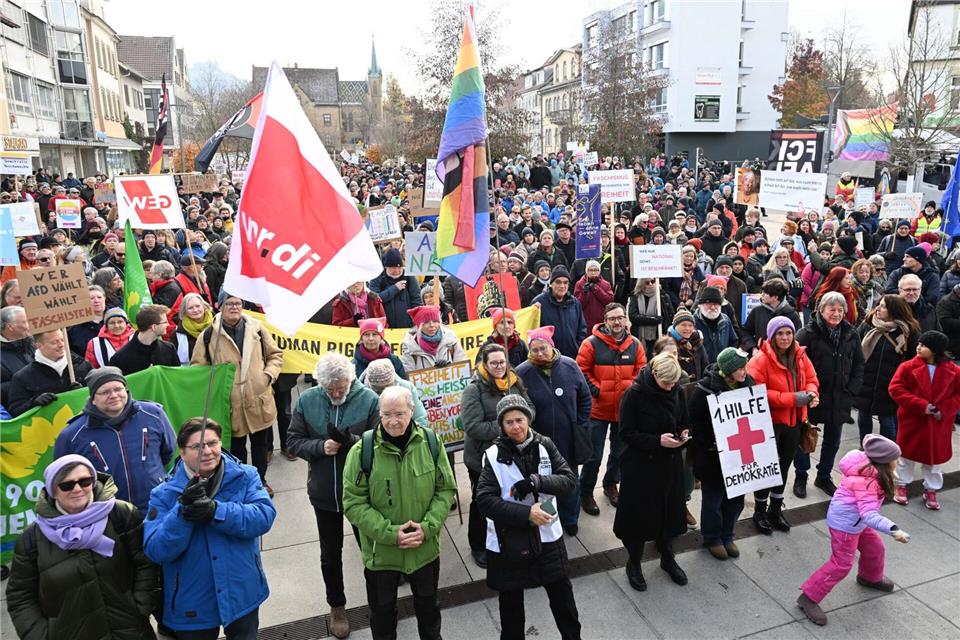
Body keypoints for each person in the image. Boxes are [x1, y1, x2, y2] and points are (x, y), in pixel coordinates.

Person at [144, 417, 277, 640]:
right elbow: (156, 550)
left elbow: (264, 517)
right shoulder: (163, 493)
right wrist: (182, 513)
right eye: (197, 446)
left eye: (212, 443)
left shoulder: (246, 475)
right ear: (182, 452)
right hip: (192, 600)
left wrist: (216, 511)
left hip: (241, 590)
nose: (207, 451)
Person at [342, 385, 456, 640]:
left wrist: (427, 528)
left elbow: (445, 489)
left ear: (412, 411)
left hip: (424, 550)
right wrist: (390, 534)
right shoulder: (362, 452)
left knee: (429, 609)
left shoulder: (431, 442)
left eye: (399, 414)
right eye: (386, 415)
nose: (392, 421)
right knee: (382, 614)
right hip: (382, 555)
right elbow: (353, 503)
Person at [6, 454, 159, 640]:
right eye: (67, 485)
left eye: (85, 481)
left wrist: (140, 607)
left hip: (131, 631)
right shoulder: (32, 538)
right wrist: (42, 636)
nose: (77, 489)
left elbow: (146, 564)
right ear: (53, 490)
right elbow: (20, 596)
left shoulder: (121, 514)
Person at [286, 352, 380, 638]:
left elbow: (379, 444)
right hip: (324, 491)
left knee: (372, 551)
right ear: (321, 384)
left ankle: (379, 602)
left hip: (361, 492)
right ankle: (337, 606)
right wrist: (320, 447)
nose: (336, 393)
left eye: (341, 387)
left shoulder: (369, 400)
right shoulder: (307, 400)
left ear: (350, 380)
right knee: (330, 554)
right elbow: (293, 441)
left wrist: (350, 441)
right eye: (330, 389)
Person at [475, 394, 582, 640]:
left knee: (563, 599)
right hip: (508, 539)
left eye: (520, 420)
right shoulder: (492, 455)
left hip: (547, 535)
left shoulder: (545, 444)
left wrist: (537, 481)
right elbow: (485, 501)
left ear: (528, 420)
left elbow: (569, 480)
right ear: (502, 426)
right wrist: (527, 514)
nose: (516, 427)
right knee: (511, 607)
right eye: (509, 422)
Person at [796, 435, 910, 626]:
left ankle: (869, 577)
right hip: (845, 526)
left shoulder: (868, 469)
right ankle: (808, 597)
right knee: (841, 564)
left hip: (855, 522)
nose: (897, 462)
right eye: (895, 459)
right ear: (884, 462)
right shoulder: (867, 482)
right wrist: (893, 529)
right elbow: (869, 514)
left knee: (874, 547)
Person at [191, 292, 284, 496]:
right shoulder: (208, 336)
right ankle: (241, 483)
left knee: (260, 445)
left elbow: (275, 355)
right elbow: (198, 370)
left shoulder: (257, 328)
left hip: (258, 399)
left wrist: (267, 376)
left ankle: (260, 481)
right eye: (229, 303)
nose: (234, 307)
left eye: (238, 303)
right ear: (219, 306)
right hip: (229, 405)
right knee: (236, 449)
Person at [615, 353, 691, 592]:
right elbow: (626, 433)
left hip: (669, 464)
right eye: (666, 383)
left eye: (673, 383)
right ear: (654, 374)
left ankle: (668, 557)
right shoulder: (633, 395)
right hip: (641, 466)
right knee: (639, 518)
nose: (670, 387)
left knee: (670, 513)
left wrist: (683, 432)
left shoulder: (677, 390)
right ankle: (634, 563)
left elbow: (683, 419)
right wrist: (658, 441)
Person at [53, 366, 176, 511]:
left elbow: (168, 451)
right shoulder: (72, 435)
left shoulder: (153, 414)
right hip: (108, 514)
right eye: (105, 392)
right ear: (93, 399)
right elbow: (63, 477)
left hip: (156, 507)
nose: (113, 395)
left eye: (118, 389)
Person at [462, 343, 533, 568]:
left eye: (502, 362)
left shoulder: (514, 382)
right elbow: (473, 427)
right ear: (484, 364)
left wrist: (521, 421)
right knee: (482, 501)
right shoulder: (474, 390)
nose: (499, 366)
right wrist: (508, 426)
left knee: (509, 497)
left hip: (513, 454)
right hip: (482, 458)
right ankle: (478, 545)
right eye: (493, 363)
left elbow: (530, 409)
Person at [516, 326, 592, 536]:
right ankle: (549, 516)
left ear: (552, 346)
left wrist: (580, 422)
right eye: (535, 350)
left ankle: (570, 518)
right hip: (539, 440)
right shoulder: (522, 372)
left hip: (568, 437)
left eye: (543, 348)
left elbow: (585, 397)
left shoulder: (570, 365)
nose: (540, 353)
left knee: (569, 478)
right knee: (545, 480)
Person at [746, 317, 819, 532]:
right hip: (769, 424)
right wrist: (793, 399)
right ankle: (760, 511)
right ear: (771, 336)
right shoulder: (760, 360)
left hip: (794, 423)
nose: (785, 337)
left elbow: (812, 379)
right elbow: (756, 391)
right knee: (766, 468)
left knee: (784, 466)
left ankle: (775, 509)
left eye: (788, 333)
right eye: (780, 333)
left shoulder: (800, 355)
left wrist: (812, 393)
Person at [576, 303, 646, 515]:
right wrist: (598, 391)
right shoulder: (590, 344)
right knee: (594, 455)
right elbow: (581, 371)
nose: (617, 322)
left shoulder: (635, 344)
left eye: (620, 318)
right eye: (612, 318)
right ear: (605, 320)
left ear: (625, 320)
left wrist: (630, 392)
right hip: (598, 410)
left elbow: (641, 371)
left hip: (624, 411)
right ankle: (586, 491)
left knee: (619, 452)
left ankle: (610, 484)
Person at [794, 292, 865, 498]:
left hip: (840, 396)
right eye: (832, 309)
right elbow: (795, 365)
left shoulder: (851, 333)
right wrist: (805, 392)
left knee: (833, 440)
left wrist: (852, 389)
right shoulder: (806, 334)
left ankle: (824, 475)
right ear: (821, 310)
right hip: (813, 396)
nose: (836, 314)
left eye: (840, 310)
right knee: (804, 437)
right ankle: (801, 475)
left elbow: (859, 363)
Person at [689, 347, 753, 560]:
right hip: (713, 457)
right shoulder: (704, 390)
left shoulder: (749, 385)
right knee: (713, 500)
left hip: (739, 455)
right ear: (727, 370)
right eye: (740, 368)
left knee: (736, 499)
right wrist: (713, 441)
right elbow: (695, 423)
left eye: (745, 367)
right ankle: (712, 537)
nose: (744, 372)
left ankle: (728, 534)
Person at [889, 330, 960, 510]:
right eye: (919, 344)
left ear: (935, 350)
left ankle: (931, 489)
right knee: (906, 457)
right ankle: (901, 484)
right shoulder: (907, 367)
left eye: (923, 345)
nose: (918, 347)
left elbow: (957, 395)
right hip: (913, 420)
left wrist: (944, 410)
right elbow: (896, 389)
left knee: (933, 461)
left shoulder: (954, 371)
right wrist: (922, 406)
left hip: (938, 424)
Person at [854, 295, 920, 442]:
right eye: (879, 304)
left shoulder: (909, 332)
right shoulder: (868, 325)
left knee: (887, 420)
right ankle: (865, 447)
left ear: (894, 310)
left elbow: (914, 361)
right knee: (863, 415)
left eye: (883, 306)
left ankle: (888, 451)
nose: (878, 308)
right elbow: (855, 350)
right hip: (866, 381)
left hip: (891, 385)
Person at [7, 329, 90, 417]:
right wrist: (33, 403)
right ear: (38, 345)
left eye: (62, 340)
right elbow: (15, 411)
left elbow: (98, 394)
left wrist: (84, 391)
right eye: (54, 342)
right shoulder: (23, 377)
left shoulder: (82, 365)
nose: (61, 345)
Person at [531, 266, 587, 359]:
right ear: (551, 284)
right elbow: (533, 330)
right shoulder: (539, 303)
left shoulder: (575, 303)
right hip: (548, 358)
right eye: (558, 282)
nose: (562, 286)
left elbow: (582, 329)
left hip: (572, 356)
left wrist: (577, 347)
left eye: (565, 282)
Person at [109, 304, 181, 375]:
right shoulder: (119, 358)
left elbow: (177, 376)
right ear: (154, 327)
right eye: (165, 322)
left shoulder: (169, 349)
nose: (168, 324)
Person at [740, 278, 802, 356]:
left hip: (784, 357)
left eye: (765, 293)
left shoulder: (792, 314)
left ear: (775, 297)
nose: (762, 295)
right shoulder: (757, 311)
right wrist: (753, 348)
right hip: (760, 356)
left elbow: (797, 337)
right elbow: (745, 332)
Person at [361, 358, 427, 425]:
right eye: (379, 390)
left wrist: (414, 431)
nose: (383, 392)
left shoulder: (407, 388)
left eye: (387, 387)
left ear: (393, 379)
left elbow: (420, 418)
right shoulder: (361, 395)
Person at [400, 305, 467, 371]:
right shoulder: (409, 345)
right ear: (419, 325)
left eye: (435, 321)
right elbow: (408, 373)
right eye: (426, 322)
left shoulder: (451, 339)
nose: (432, 325)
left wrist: (450, 366)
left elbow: (462, 366)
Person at [368, 248, 423, 329]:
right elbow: (374, 300)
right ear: (386, 267)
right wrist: (394, 288)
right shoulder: (377, 278)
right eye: (393, 268)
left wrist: (415, 321)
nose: (397, 270)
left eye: (399, 267)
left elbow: (416, 300)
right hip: (384, 326)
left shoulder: (409, 277)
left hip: (407, 326)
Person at [693, 286, 740, 363]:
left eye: (716, 304)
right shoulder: (693, 322)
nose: (712, 307)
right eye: (709, 303)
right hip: (701, 367)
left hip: (721, 367)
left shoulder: (726, 321)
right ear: (700, 305)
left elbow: (733, 341)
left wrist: (727, 360)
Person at [0, 306, 33, 407]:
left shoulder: (36, 341)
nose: (30, 325)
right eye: (25, 322)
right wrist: (23, 385)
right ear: (10, 327)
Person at [174, 292, 214, 365]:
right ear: (185, 311)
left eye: (198, 306)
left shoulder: (217, 324)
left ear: (204, 306)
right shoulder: (177, 333)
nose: (195, 310)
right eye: (190, 308)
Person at [573, 259, 614, 330]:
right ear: (586, 271)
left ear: (599, 271)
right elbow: (577, 305)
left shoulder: (606, 284)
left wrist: (596, 289)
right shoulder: (579, 284)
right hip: (585, 322)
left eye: (596, 270)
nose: (593, 272)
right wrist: (584, 293)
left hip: (601, 322)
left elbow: (609, 301)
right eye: (590, 270)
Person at [668, 308, 708, 381]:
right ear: (675, 326)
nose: (687, 328)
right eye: (683, 325)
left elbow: (705, 367)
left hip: (697, 386)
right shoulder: (667, 344)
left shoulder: (697, 343)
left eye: (690, 325)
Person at [67, 285, 106, 357]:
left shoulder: (117, 320)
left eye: (99, 297)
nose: (96, 301)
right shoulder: (75, 328)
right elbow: (69, 352)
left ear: (104, 298)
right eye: (91, 298)